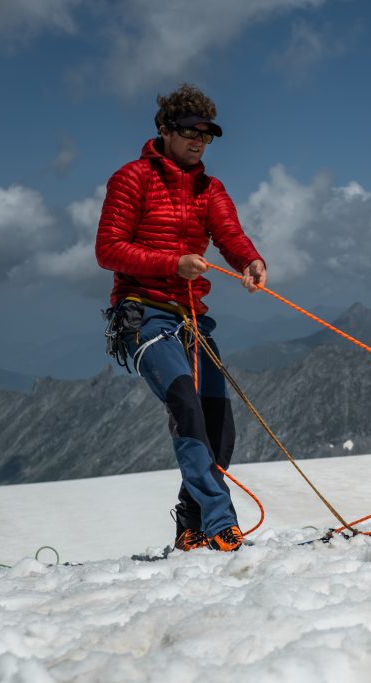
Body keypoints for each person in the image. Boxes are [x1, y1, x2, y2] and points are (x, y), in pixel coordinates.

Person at [96, 84, 267, 552]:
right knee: (187, 408)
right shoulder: (131, 179)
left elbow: (229, 234)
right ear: (165, 130)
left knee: (219, 428)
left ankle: (189, 524)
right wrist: (172, 264)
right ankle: (219, 523)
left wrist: (250, 261)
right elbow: (107, 250)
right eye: (191, 131)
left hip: (191, 319)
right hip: (143, 316)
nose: (200, 140)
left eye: (208, 134)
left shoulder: (210, 189)